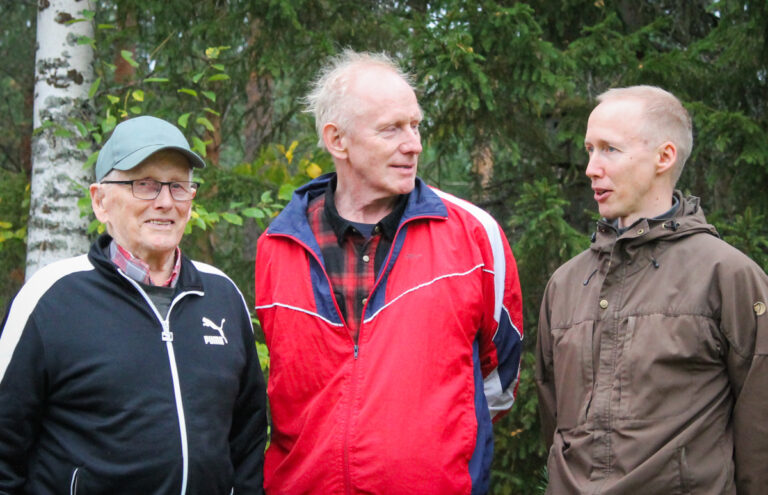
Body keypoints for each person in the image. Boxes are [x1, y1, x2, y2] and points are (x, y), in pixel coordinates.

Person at [254, 49, 524, 494]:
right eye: (392, 129)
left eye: (415, 125)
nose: (414, 144)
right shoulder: (278, 246)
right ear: (337, 140)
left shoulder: (474, 235)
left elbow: (498, 377)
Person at [0, 116, 267, 494]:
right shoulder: (50, 299)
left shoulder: (221, 296)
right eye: (144, 185)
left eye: (178, 186)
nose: (165, 202)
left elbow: (247, 441)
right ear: (100, 200)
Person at [535, 85, 768, 494]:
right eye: (589, 149)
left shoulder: (728, 276)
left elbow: (760, 434)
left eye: (610, 149)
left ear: (664, 157)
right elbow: (554, 425)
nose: (591, 167)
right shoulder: (566, 284)